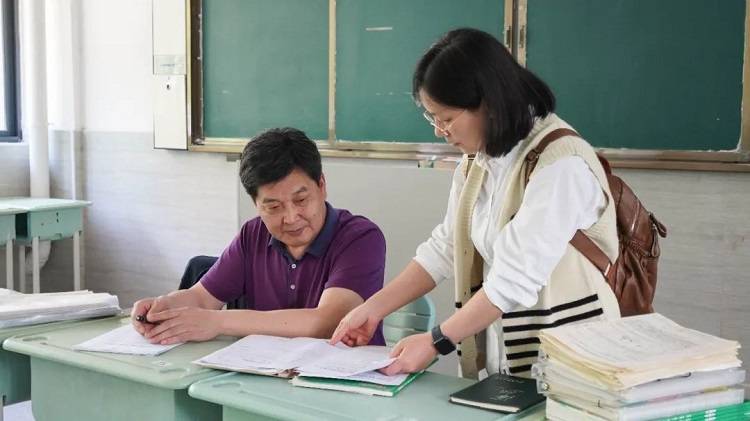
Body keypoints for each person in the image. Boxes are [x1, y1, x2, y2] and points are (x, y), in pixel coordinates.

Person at [330, 28, 620, 378]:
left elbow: (512, 279)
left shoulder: (561, 164)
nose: (439, 131)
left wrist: (435, 342)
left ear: (489, 103)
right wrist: (373, 309)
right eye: (432, 118)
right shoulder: (478, 162)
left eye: (446, 118)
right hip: (515, 361)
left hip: (578, 363)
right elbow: (447, 247)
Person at [132, 127, 387, 346]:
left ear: (321, 186)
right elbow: (201, 297)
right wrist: (164, 307)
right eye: (273, 207)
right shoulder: (253, 235)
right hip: (266, 375)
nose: (291, 217)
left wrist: (218, 321)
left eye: (301, 200)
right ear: (256, 204)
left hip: (342, 379)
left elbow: (328, 321)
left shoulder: (360, 238)